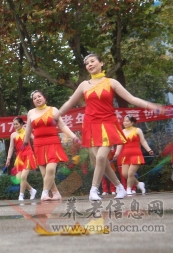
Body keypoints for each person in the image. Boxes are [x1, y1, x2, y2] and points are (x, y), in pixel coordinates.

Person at [58, 54, 162, 201]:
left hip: (108, 123)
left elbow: (131, 99)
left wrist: (150, 105)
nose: (89, 64)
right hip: (90, 125)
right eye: (87, 63)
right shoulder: (84, 85)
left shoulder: (111, 82)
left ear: (101, 63)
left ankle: (93, 189)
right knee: (102, 162)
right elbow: (69, 103)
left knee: (101, 157)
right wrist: (57, 114)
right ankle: (120, 187)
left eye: (92, 61)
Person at [24, 90, 79, 201]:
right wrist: (25, 143)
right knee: (44, 174)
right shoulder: (31, 113)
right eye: (34, 98)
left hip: (52, 142)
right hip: (38, 144)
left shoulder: (53, 110)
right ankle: (56, 193)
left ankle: (44, 193)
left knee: (50, 170)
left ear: (45, 98)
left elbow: (63, 126)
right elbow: (28, 129)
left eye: (39, 96)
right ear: (33, 101)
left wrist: (74, 137)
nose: (37, 99)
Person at [115, 115, 154, 196]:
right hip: (125, 155)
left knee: (130, 173)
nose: (125, 123)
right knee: (125, 174)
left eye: (127, 121)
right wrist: (117, 153)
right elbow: (120, 144)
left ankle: (128, 189)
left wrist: (149, 150)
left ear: (132, 122)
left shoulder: (137, 130)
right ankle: (139, 184)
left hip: (136, 154)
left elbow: (143, 141)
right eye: (124, 121)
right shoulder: (122, 132)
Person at [5, 117, 38, 201]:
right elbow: (11, 148)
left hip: (28, 155)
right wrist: (8, 159)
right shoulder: (13, 135)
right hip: (19, 158)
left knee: (23, 176)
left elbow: (35, 140)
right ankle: (32, 190)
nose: (15, 126)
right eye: (14, 124)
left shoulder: (27, 131)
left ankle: (21, 196)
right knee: (19, 177)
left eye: (17, 124)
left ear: (22, 124)